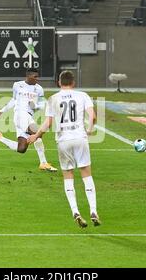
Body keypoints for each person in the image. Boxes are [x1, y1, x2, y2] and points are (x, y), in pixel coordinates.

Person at [28, 70, 100, 228]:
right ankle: (93, 210)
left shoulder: (53, 99)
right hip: (80, 138)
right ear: (73, 83)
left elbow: (48, 123)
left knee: (68, 176)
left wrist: (36, 136)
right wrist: (88, 129)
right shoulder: (83, 96)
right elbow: (93, 116)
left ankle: (75, 211)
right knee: (86, 174)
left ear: (59, 83)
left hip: (63, 141)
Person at [0, 68, 57, 172]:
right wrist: (3, 110)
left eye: (38, 76)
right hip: (20, 115)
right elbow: (14, 99)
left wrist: (34, 105)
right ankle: (43, 163)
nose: (37, 79)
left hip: (28, 116)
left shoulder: (39, 89)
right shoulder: (17, 85)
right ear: (28, 76)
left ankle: (0, 138)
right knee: (38, 134)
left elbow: (42, 105)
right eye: (35, 77)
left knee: (21, 149)